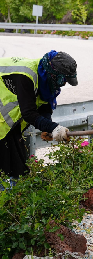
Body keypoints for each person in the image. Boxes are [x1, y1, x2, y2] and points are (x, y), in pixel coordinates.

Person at [0, 51, 78, 180]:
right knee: (6, 170)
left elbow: (44, 106)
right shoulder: (26, 76)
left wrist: (47, 127)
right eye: (63, 80)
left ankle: (12, 196)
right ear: (54, 74)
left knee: (18, 168)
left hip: (7, 125)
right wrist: (54, 128)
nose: (63, 84)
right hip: (2, 125)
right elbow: (29, 113)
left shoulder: (43, 76)